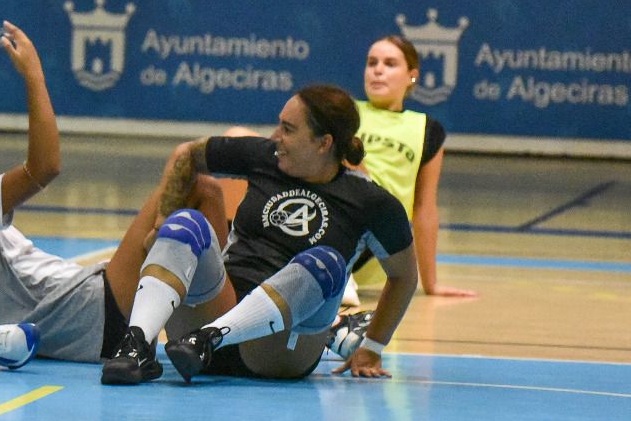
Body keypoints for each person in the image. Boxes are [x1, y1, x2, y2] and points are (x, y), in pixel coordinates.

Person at [0, 21, 230, 366]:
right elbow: (45, 166)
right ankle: (232, 333)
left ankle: (222, 327)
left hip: (83, 323)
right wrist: (34, 76)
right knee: (194, 178)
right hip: (89, 307)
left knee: (205, 195)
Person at [101, 85, 418, 385]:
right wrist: (161, 222)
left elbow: (404, 277)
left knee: (326, 262)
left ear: (324, 143)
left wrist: (373, 346)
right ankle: (136, 347)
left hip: (280, 349)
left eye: (288, 130)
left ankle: (214, 335)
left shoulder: (372, 202)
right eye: (279, 125)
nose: (275, 136)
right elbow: (187, 156)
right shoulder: (265, 158)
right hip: (207, 327)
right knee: (185, 222)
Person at [355, 34, 476, 299]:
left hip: (376, 234)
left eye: (389, 64)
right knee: (238, 134)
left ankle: (336, 277)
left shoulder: (425, 129)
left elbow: (425, 208)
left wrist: (430, 284)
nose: (377, 70)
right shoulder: (345, 111)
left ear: (412, 76)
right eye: (372, 62)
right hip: (326, 215)